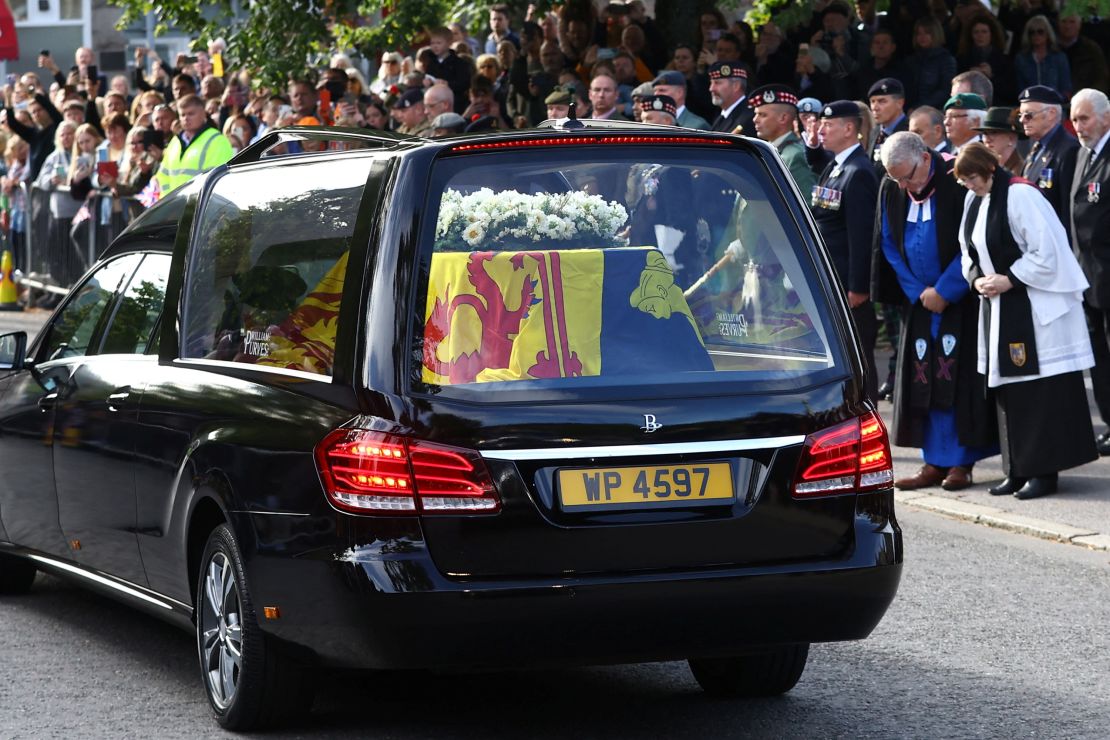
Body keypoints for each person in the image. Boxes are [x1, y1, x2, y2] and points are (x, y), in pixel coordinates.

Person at [955, 142, 1097, 498]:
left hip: (1033, 310)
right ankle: (1016, 468)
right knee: (1008, 390)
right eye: (964, 181)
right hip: (998, 308)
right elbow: (966, 251)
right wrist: (976, 279)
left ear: (989, 170)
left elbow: (1048, 252)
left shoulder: (1021, 196)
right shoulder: (975, 199)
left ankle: (1043, 472)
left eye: (973, 178)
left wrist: (1010, 279)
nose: (970, 186)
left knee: (1036, 393)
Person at [874, 132, 997, 490]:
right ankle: (933, 461)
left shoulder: (954, 181)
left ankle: (962, 462)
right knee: (923, 379)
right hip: (920, 303)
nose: (904, 184)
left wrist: (945, 290)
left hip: (957, 299)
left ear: (925, 158)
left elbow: (973, 241)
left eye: (908, 175)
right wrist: (917, 291)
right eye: (897, 178)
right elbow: (888, 242)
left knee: (956, 381)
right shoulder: (893, 187)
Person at [811, 100, 880, 401]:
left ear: (849, 128)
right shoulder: (836, 165)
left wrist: (859, 286)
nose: (821, 130)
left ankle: (867, 416)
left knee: (859, 358)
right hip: (833, 278)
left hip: (848, 284)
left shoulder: (859, 171)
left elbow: (862, 235)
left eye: (828, 125)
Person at [1067, 89, 1110, 455]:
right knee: (1099, 356)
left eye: (1085, 118)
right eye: (1075, 119)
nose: (1078, 127)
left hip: (1108, 275)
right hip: (1089, 278)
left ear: (1106, 118)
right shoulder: (1084, 153)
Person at [1018, 84, 1078, 225]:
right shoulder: (1038, 147)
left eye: (1028, 115)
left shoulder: (1069, 150)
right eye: (1020, 115)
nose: (1022, 120)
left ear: (1051, 114)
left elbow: (1068, 208)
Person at [155, 95, 234, 195]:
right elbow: (162, 175)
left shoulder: (217, 141)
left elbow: (215, 180)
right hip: (174, 206)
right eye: (182, 115)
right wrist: (169, 202)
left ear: (203, 114)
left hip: (200, 207)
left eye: (191, 114)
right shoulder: (175, 141)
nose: (186, 118)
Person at [750, 84, 815, 195]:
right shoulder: (766, 150)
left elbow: (806, 203)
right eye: (756, 114)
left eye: (763, 115)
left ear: (783, 118)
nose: (755, 119)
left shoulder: (795, 155)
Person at [1014, 15, 1072, 99]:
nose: (1036, 35)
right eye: (1032, 32)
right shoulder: (1021, 59)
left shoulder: (1059, 58)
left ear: (1047, 33)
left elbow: (1066, 88)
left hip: (1055, 104)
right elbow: (1020, 88)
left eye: (1040, 31)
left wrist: (1054, 100)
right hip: (1030, 104)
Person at [907, 16, 957, 109]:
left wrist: (921, 107)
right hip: (912, 110)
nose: (922, 37)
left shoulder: (946, 60)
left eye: (927, 33)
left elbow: (946, 90)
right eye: (919, 33)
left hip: (937, 110)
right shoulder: (912, 60)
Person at [1056, 14, 1110, 97]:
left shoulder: (1091, 49)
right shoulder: (1050, 48)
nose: (1067, 26)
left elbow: (1102, 78)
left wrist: (1090, 96)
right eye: (1063, 21)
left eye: (1072, 22)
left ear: (1079, 25)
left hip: (1086, 99)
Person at [867, 78, 908, 174]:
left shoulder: (910, 131)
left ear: (899, 103)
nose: (875, 108)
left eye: (882, 101)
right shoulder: (874, 132)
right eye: (872, 101)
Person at [974, 107, 1024, 173]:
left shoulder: (1021, 170)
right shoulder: (984, 167)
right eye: (985, 133)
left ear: (1011, 139)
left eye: (994, 132)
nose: (987, 140)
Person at [708, 62, 753, 134]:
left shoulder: (749, 117)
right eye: (711, 83)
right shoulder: (722, 116)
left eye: (717, 83)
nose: (711, 88)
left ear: (736, 86)